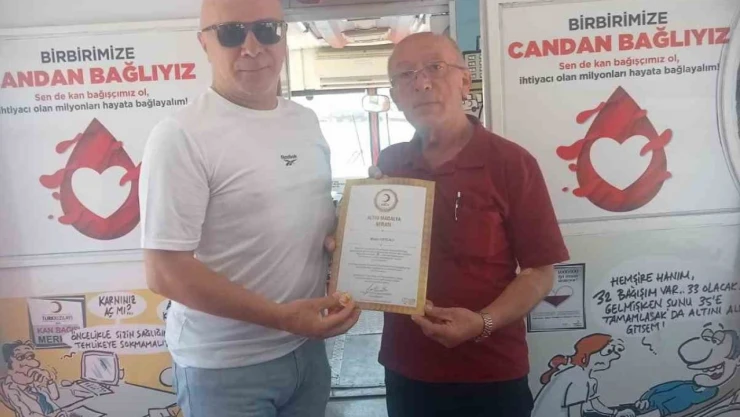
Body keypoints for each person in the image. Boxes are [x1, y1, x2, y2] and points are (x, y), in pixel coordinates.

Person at [139, 0, 360, 416]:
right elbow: (164, 270)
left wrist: (351, 231)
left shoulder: (305, 121)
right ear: (204, 44)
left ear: (283, 36)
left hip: (307, 350)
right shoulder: (180, 135)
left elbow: (309, 219)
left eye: (267, 30)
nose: (253, 47)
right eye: (231, 33)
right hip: (226, 368)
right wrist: (282, 318)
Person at [371, 32, 570, 417]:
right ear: (395, 97)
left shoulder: (512, 163)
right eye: (405, 75)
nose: (421, 83)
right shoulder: (390, 164)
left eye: (435, 67)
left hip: (490, 372)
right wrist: (348, 239)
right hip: (407, 366)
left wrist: (482, 323)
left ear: (465, 81)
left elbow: (540, 273)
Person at [532, 334, 633, 417]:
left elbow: (595, 405)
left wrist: (616, 413)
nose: (612, 357)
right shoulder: (578, 378)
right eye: (607, 352)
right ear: (585, 356)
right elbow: (574, 414)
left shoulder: (586, 378)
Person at [1, 341, 62, 417]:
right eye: (20, 357)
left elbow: (54, 397)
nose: (28, 362)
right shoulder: (11, 389)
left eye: (30, 356)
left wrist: (49, 382)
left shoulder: (34, 380)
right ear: (9, 364)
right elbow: (26, 413)